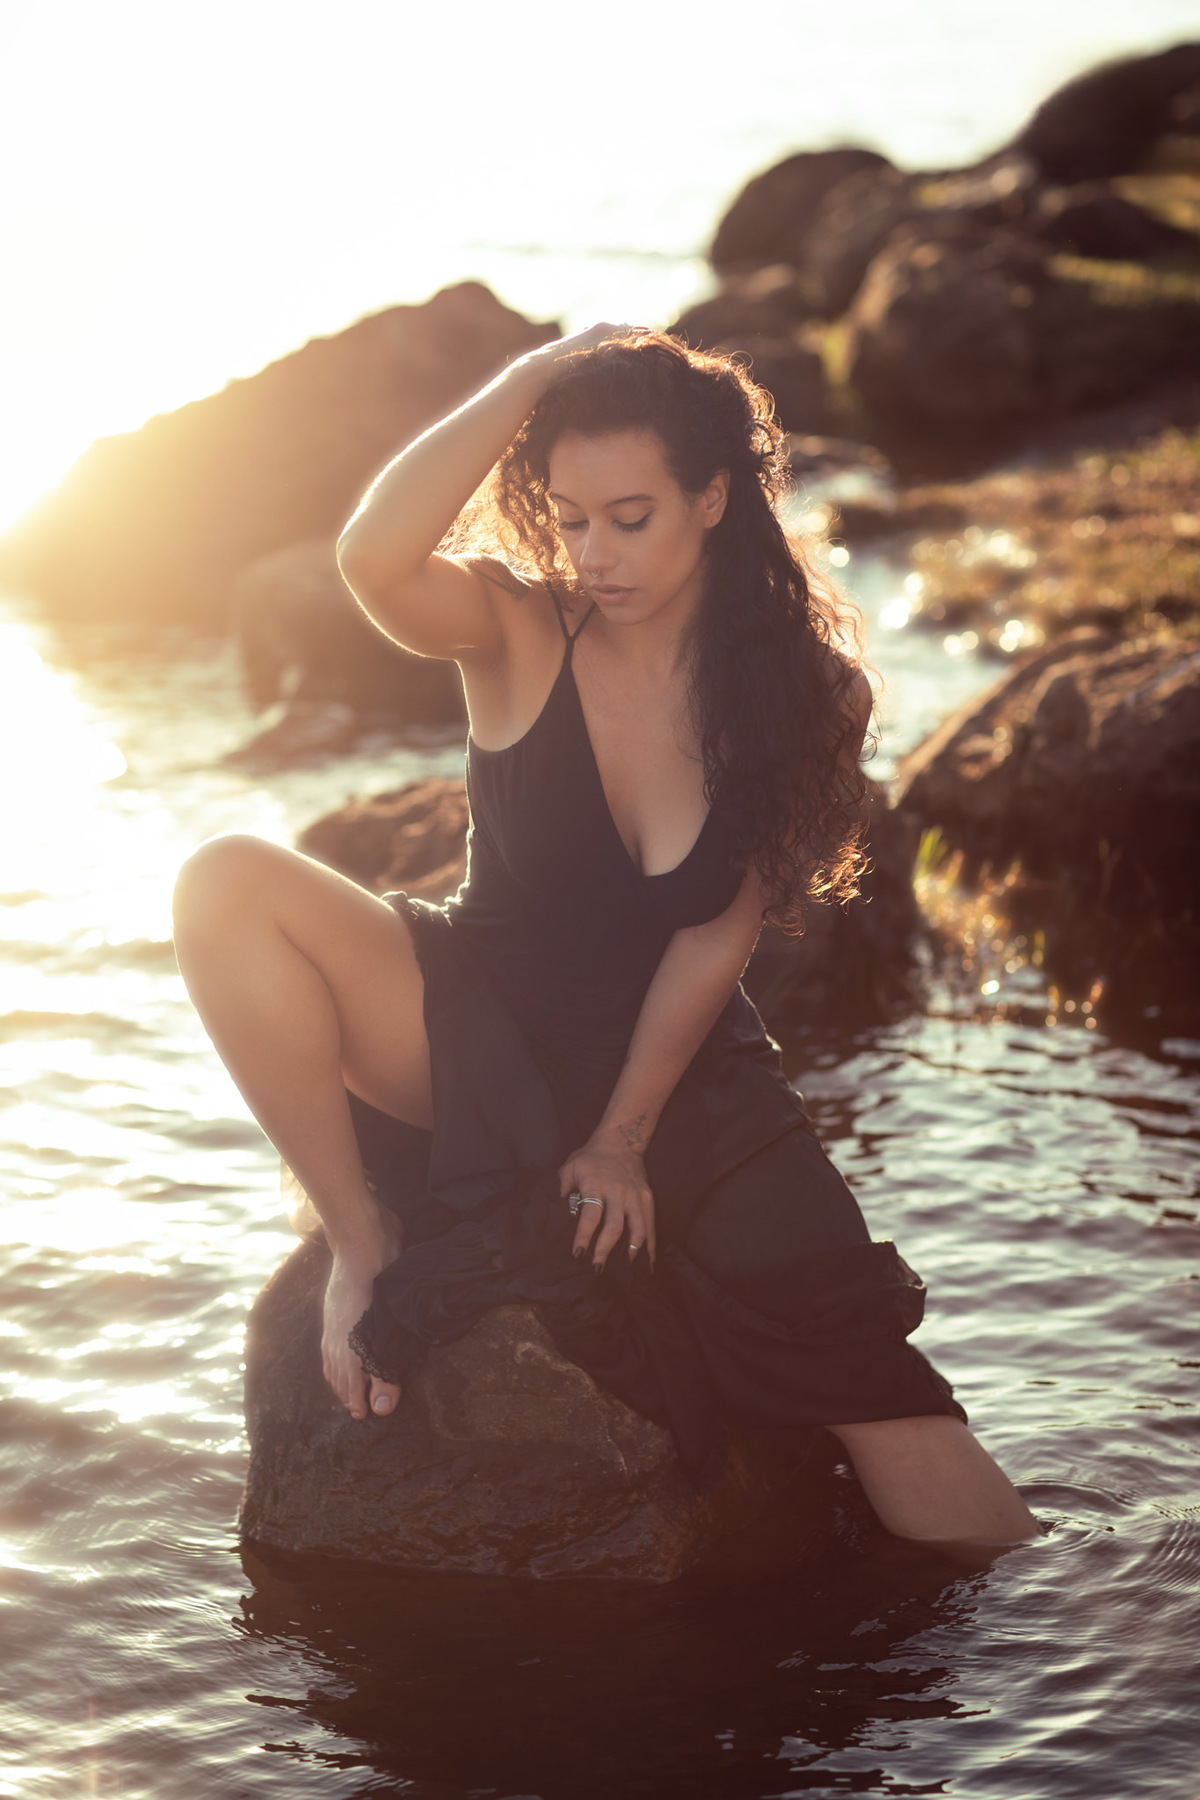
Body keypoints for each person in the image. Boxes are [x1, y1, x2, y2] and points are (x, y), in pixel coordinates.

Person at [173, 326, 1037, 1548]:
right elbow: (371, 559)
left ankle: (1077, 1698)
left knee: (880, 1388)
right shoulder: (522, 628)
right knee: (222, 880)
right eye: (570, 518)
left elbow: (715, 936)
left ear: (713, 496)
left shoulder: (811, 693)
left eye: (631, 516)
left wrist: (623, 1141)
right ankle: (365, 1232)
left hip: (684, 1073)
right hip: (473, 1022)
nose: (596, 554)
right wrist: (535, 377)